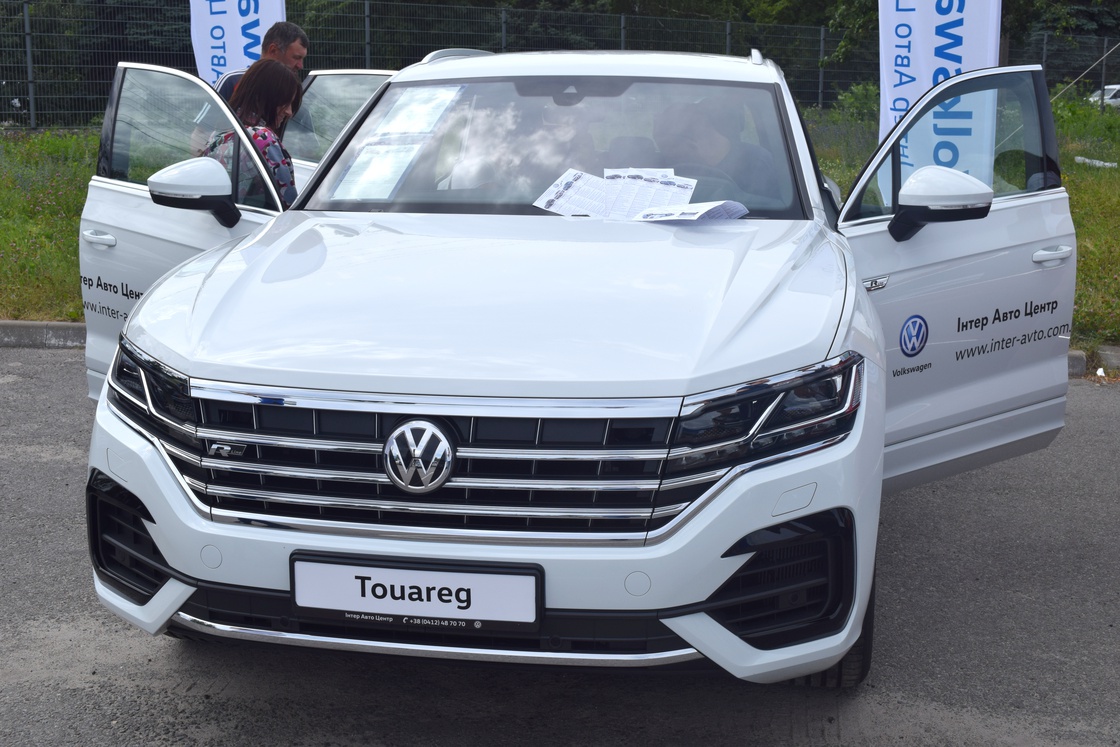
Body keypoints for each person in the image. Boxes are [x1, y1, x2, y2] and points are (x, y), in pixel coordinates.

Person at [201, 59, 303, 209]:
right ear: (265, 97)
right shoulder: (262, 138)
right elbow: (289, 203)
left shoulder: (218, 134)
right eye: (285, 103)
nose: (289, 112)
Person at [653, 98, 775, 194]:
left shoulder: (757, 162)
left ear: (692, 145)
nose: (666, 155)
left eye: (669, 147)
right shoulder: (656, 166)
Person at [213, 21, 309, 101]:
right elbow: (208, 117)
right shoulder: (232, 82)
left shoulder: (293, 92)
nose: (300, 66)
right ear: (273, 50)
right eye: (296, 57)